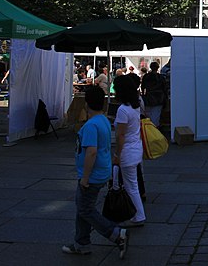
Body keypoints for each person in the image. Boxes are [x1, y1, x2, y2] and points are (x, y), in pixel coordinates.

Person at [62, 86, 129, 258]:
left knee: (86, 209)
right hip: (102, 170)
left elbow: (91, 152)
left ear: (86, 104)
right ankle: (81, 242)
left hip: (92, 175)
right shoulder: (104, 121)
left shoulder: (91, 125)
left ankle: (115, 234)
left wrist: (85, 177)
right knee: (83, 207)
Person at [112, 75, 146, 228]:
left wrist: (117, 155)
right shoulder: (135, 106)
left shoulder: (122, 110)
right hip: (135, 148)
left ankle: (138, 215)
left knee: (131, 185)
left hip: (127, 151)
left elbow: (120, 135)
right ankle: (137, 214)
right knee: (132, 184)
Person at [141, 62, 167, 126]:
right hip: (158, 99)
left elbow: (142, 87)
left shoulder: (146, 76)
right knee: (156, 118)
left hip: (148, 99)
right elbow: (165, 89)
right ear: (158, 68)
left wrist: (144, 96)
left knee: (148, 117)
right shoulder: (161, 77)